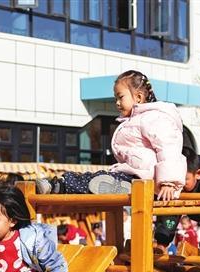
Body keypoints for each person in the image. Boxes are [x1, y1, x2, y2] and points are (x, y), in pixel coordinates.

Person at [36, 69, 186, 200]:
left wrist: (169, 182)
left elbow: (169, 148)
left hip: (147, 179)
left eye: (121, 97)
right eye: (116, 98)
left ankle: (59, 186)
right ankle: (59, 184)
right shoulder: (135, 120)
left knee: (96, 180)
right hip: (133, 175)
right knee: (95, 178)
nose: (117, 103)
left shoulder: (154, 118)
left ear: (138, 98)